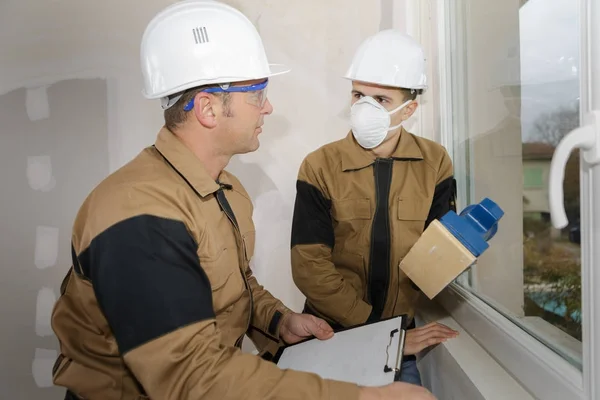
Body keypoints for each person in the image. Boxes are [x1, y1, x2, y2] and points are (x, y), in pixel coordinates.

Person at [50, 2, 437, 399]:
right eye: (257, 94)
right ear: (209, 108)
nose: (268, 106)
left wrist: (280, 322)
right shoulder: (138, 212)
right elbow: (190, 378)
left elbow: (238, 286)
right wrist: (363, 397)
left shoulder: (225, 190)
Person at [290, 29, 460, 386]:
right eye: (358, 94)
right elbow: (309, 267)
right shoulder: (320, 166)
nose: (364, 107)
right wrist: (379, 334)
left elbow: (436, 259)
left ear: (409, 108)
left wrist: (465, 243)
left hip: (400, 340)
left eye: (381, 99)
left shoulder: (435, 163)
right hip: (330, 334)